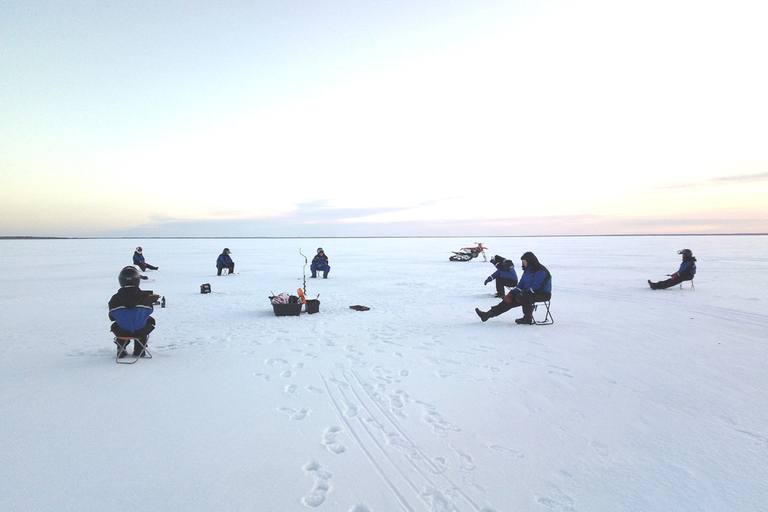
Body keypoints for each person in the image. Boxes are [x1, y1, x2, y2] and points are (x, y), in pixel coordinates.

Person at [475, 251, 552, 325]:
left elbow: (537, 288)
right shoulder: (527, 271)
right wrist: (512, 293)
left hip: (542, 294)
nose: (523, 263)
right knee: (508, 300)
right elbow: (520, 285)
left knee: (524, 296)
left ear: (529, 261)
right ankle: (487, 315)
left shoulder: (541, 271)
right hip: (527, 293)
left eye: (524, 261)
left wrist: (523, 292)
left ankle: (527, 318)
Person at [108, 266, 157, 358]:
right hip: (140, 331)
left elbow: (112, 317)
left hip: (121, 332)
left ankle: (121, 348)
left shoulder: (115, 299)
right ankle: (139, 349)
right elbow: (149, 311)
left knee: (118, 323)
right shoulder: (144, 297)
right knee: (148, 321)